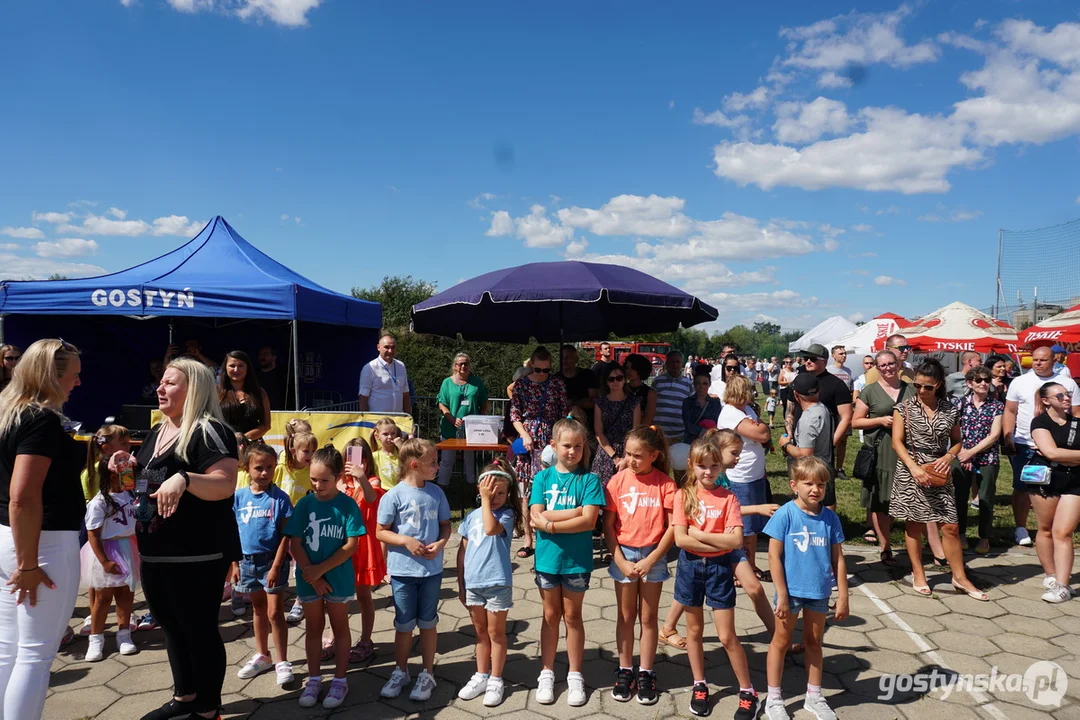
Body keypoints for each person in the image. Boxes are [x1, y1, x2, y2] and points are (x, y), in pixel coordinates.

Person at [112, 357, 240, 720]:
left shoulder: (210, 430)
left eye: (170, 383)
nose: (160, 388)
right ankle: (185, 695)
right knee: (170, 625)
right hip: (155, 548)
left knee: (198, 629)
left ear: (193, 389)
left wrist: (186, 479)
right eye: (161, 382)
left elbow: (225, 483)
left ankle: (208, 706)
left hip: (196, 551)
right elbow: (151, 475)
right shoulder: (159, 429)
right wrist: (128, 462)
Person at [0, 339, 81, 720]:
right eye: (73, 375)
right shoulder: (40, 419)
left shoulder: (9, 411)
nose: (77, 383)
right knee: (35, 655)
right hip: (40, 543)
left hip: (10, 538)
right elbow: (22, 495)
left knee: (8, 648)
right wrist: (29, 564)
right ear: (51, 376)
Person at [672, 434, 759, 719]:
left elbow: (736, 542)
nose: (708, 472)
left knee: (726, 636)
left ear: (720, 467)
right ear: (691, 465)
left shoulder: (729, 498)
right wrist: (710, 538)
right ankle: (699, 684)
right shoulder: (683, 496)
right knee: (694, 632)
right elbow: (681, 541)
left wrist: (699, 533)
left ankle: (747, 690)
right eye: (702, 466)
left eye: (713, 466)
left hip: (720, 570)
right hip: (690, 568)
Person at [891, 359, 987, 601]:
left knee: (951, 526)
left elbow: (957, 440)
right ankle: (918, 572)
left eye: (927, 387)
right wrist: (913, 468)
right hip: (912, 468)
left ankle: (959, 576)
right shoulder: (904, 408)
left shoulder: (950, 408)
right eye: (917, 385)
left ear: (939, 385)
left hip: (940, 469)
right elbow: (896, 442)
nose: (921, 391)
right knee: (914, 524)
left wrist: (949, 455)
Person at [763, 457, 849, 720]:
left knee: (813, 641)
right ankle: (774, 698)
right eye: (809, 483)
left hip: (819, 592)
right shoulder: (785, 514)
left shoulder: (830, 518)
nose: (815, 489)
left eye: (821, 484)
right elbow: (773, 557)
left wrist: (843, 595)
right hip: (790, 593)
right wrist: (782, 594)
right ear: (794, 485)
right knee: (781, 641)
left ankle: (814, 695)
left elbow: (839, 559)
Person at [528, 418, 604, 708]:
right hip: (547, 560)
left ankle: (574, 674)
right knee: (550, 616)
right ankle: (546, 671)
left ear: (585, 447)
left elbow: (589, 520)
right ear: (553, 445)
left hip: (576, 562)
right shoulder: (542, 478)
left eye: (578, 446)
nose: (572, 451)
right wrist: (572, 513)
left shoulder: (590, 480)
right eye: (566, 446)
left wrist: (551, 523)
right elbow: (535, 514)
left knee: (573, 617)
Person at [602, 426, 676, 705]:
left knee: (648, 617)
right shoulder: (617, 481)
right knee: (625, 616)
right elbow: (608, 526)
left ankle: (645, 671)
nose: (630, 460)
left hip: (652, 558)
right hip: (624, 555)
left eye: (637, 455)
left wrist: (652, 559)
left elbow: (671, 529)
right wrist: (619, 559)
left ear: (654, 455)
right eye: (627, 454)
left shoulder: (666, 484)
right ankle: (624, 669)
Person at [286, 445, 363, 710]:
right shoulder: (305, 504)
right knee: (313, 628)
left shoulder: (347, 505)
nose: (318, 485)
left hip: (338, 578)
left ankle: (340, 680)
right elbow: (295, 543)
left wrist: (321, 570)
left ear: (339, 475)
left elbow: (351, 545)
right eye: (314, 479)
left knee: (340, 628)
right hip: (309, 579)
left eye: (325, 480)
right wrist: (313, 575)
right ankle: (315, 678)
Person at [376, 439, 451, 702]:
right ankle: (401, 670)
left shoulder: (437, 493)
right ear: (414, 464)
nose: (438, 466)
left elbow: (445, 525)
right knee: (404, 623)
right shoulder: (393, 496)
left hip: (431, 571)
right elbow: (380, 532)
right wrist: (406, 541)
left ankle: (427, 672)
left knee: (428, 622)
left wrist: (441, 543)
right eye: (433, 462)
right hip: (403, 572)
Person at [455, 459, 522, 708]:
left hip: (497, 583)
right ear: (480, 489)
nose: (494, 497)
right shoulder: (471, 518)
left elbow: (491, 529)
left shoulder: (506, 514)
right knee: (481, 633)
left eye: (500, 493)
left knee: (496, 633)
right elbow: (462, 552)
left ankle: (496, 678)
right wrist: (461, 585)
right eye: (489, 492)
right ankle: (481, 674)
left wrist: (485, 501)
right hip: (473, 584)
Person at [1003, 346, 1080, 547]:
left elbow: (1076, 413)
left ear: (1054, 360)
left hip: (1060, 446)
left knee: (1057, 486)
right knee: (1023, 486)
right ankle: (1021, 527)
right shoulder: (1020, 382)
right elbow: (1010, 410)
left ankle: (1054, 528)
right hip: (1025, 443)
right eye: (1035, 359)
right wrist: (1008, 436)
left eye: (1043, 360)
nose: (1037, 363)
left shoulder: (1067, 383)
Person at [231, 443, 294, 686]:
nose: (265, 473)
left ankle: (282, 660)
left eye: (270, 467)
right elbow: (234, 532)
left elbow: (285, 535)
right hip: (246, 562)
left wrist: (277, 566)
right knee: (257, 610)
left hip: (271, 562)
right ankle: (262, 655)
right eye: (259, 468)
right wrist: (235, 564)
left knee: (275, 612)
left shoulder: (280, 499)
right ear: (246, 468)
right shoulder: (239, 497)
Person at [852, 349, 912, 567]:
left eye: (891, 364)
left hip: (906, 452)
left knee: (901, 499)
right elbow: (856, 422)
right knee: (880, 502)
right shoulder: (870, 391)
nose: (888, 368)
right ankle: (885, 545)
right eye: (883, 365)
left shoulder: (911, 390)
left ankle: (907, 543)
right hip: (881, 452)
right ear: (877, 368)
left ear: (898, 365)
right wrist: (881, 420)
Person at [80, 438, 139, 663]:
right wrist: (104, 561)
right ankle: (96, 638)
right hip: (107, 550)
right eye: (125, 471)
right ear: (113, 474)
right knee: (103, 598)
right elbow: (92, 534)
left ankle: (124, 634)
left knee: (126, 595)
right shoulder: (99, 502)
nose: (130, 474)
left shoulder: (129, 496)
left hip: (127, 548)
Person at [510, 347, 569, 558]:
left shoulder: (556, 384)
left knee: (550, 489)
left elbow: (563, 414)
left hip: (551, 439)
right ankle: (528, 539)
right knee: (526, 492)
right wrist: (524, 435)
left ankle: (548, 537)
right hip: (528, 440)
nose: (542, 374)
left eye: (546, 370)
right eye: (538, 369)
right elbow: (515, 415)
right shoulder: (522, 385)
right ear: (530, 365)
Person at [1028, 382, 1080, 602]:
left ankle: (1063, 586)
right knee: (1046, 528)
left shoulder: (1077, 423)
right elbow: (1051, 452)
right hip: (1045, 479)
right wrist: (1058, 454)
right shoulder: (1040, 422)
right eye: (1059, 395)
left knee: (1063, 532)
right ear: (1046, 400)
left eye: (1067, 394)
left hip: (1075, 481)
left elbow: (1054, 452)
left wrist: (1058, 454)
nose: (1066, 398)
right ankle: (1050, 574)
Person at [718, 375, 772, 578]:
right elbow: (762, 434)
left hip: (755, 475)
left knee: (754, 527)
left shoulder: (746, 409)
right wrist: (762, 428)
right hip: (740, 477)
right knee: (743, 526)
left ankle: (750, 564)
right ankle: (739, 569)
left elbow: (761, 429)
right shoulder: (731, 413)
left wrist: (761, 426)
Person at [335, 438, 384, 663]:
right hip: (340, 545)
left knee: (363, 596)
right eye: (351, 458)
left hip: (363, 547)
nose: (355, 463)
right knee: (338, 597)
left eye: (361, 458)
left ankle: (366, 639)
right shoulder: (339, 482)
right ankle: (336, 637)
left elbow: (372, 497)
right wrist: (338, 486)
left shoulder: (371, 480)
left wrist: (361, 476)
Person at [952, 366, 1003, 555]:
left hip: (987, 456)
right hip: (962, 454)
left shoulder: (996, 406)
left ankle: (984, 537)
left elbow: (994, 435)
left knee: (986, 497)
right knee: (960, 496)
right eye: (979, 380)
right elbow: (954, 430)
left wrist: (971, 452)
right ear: (970, 383)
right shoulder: (959, 403)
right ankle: (961, 534)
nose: (983, 383)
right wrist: (963, 451)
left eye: (987, 380)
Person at [785, 344, 852, 480]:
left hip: (822, 448)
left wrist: (832, 442)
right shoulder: (799, 381)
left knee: (823, 489)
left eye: (813, 359)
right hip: (799, 442)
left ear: (824, 361)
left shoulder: (836, 384)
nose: (808, 361)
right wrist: (789, 433)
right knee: (799, 485)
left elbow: (846, 417)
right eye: (806, 358)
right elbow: (790, 410)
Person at [778, 373, 836, 512]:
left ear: (796, 394)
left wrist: (785, 444)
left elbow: (805, 454)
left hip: (813, 472)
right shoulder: (822, 408)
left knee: (815, 509)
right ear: (819, 390)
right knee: (827, 502)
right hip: (825, 466)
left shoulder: (809, 419)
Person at [436, 353, 490, 487]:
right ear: (455, 366)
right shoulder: (447, 382)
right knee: (447, 460)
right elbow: (441, 403)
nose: (463, 366)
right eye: (460, 364)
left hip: (471, 428)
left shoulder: (476, 382)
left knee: (470, 459)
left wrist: (480, 419)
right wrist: (451, 418)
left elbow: (484, 402)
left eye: (466, 363)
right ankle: (442, 488)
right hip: (450, 427)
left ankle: (472, 488)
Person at [591, 365, 641, 486]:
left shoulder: (634, 402)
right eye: (611, 379)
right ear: (606, 382)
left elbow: (635, 432)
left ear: (624, 379)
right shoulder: (600, 402)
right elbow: (599, 432)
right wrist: (615, 457)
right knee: (602, 491)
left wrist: (626, 457)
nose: (615, 382)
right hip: (606, 452)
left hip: (629, 451)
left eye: (619, 378)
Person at [218, 350, 271, 440]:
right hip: (224, 446)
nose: (236, 369)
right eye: (232, 366)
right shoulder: (215, 392)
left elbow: (266, 425)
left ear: (247, 368)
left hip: (253, 448)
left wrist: (243, 438)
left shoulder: (259, 393)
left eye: (240, 366)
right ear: (225, 368)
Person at [358, 334, 411, 414]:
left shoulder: (401, 366)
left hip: (398, 419)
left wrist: (408, 417)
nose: (390, 351)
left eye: (393, 347)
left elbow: (406, 394)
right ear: (378, 347)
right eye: (386, 347)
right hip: (378, 421)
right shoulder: (370, 368)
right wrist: (367, 422)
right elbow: (363, 398)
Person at [654, 351, 694, 441]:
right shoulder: (657, 381)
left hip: (679, 434)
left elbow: (692, 407)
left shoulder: (688, 383)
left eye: (677, 362)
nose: (675, 365)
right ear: (667, 363)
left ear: (681, 364)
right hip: (659, 434)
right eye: (672, 361)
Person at [682, 374, 722, 444]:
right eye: (698, 383)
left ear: (709, 384)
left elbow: (717, 422)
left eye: (705, 383)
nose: (701, 387)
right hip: (691, 442)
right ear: (694, 384)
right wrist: (704, 432)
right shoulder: (687, 402)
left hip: (710, 442)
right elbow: (688, 424)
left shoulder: (716, 402)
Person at [557, 345, 598, 412]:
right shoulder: (556, 379)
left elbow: (593, 401)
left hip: (586, 419)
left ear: (576, 359)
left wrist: (572, 403)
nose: (564, 361)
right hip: (563, 420)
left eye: (567, 358)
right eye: (562, 358)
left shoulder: (588, 375)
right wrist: (581, 402)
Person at [370, 418, 404, 490]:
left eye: (393, 433)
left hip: (401, 491)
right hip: (383, 493)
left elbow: (411, 462)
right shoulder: (374, 456)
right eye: (385, 434)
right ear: (377, 436)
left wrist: (401, 447)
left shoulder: (401, 453)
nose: (390, 437)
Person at [624, 354, 657, 427]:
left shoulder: (650, 393)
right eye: (626, 368)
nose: (629, 371)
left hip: (640, 433)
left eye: (633, 368)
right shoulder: (621, 389)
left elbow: (648, 419)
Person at [257, 345, 287, 412]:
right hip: (259, 412)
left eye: (265, 354)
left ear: (274, 357)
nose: (262, 357)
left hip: (279, 414)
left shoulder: (283, 376)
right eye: (260, 355)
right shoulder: (254, 375)